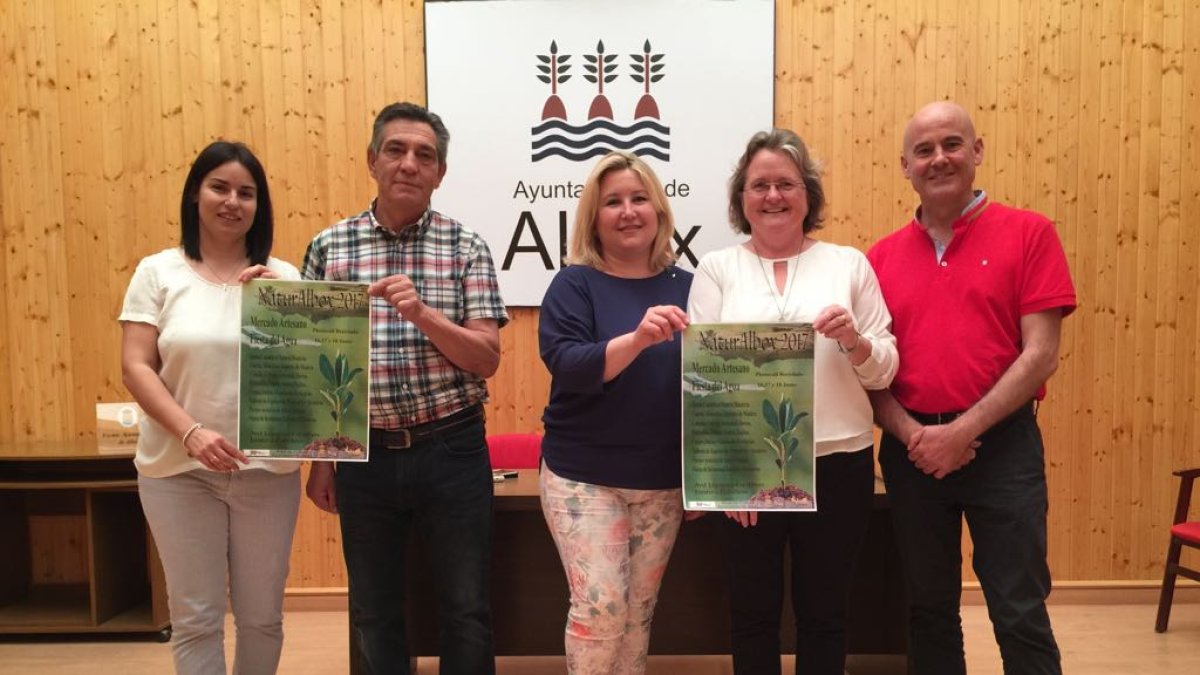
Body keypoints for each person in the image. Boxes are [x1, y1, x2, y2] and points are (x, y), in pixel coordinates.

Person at [866, 101, 1076, 675]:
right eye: (924, 150)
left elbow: (1041, 355)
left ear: (977, 151)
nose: (939, 159)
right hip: (913, 456)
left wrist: (961, 432)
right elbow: (870, 370)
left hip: (1002, 450)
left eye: (952, 144)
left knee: (1018, 608)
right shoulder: (877, 259)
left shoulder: (1030, 233)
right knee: (928, 609)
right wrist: (916, 436)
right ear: (904, 165)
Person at [302, 101, 508, 675]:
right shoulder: (329, 249)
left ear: (440, 173)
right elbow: (315, 364)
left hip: (453, 447)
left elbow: (487, 359)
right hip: (363, 455)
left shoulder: (466, 247)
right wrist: (322, 462)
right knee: (374, 610)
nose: (409, 164)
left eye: (425, 155)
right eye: (396, 150)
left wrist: (423, 315)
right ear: (372, 160)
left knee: (466, 610)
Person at [688, 129, 899, 675]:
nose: (773, 195)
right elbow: (702, 376)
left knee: (825, 613)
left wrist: (854, 340)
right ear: (742, 199)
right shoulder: (716, 268)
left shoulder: (849, 264)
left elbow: (885, 368)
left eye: (786, 183)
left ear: (808, 194)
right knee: (752, 614)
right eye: (759, 185)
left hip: (838, 463)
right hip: (750, 470)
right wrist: (729, 477)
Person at [120, 141, 301, 674]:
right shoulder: (158, 272)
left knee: (262, 617)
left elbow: (305, 383)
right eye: (219, 187)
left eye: (246, 193)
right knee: (196, 617)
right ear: (195, 194)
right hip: (177, 472)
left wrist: (286, 310)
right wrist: (191, 432)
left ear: (259, 206)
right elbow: (136, 367)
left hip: (266, 473)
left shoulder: (284, 278)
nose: (232, 202)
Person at [538, 151, 692, 675]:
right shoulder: (574, 284)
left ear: (659, 210)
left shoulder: (690, 286)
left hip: (663, 481)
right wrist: (637, 339)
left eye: (638, 198)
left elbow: (711, 385)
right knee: (600, 608)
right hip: (584, 477)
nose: (628, 211)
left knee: (637, 616)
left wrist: (708, 478)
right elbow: (568, 364)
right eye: (613, 202)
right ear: (594, 217)